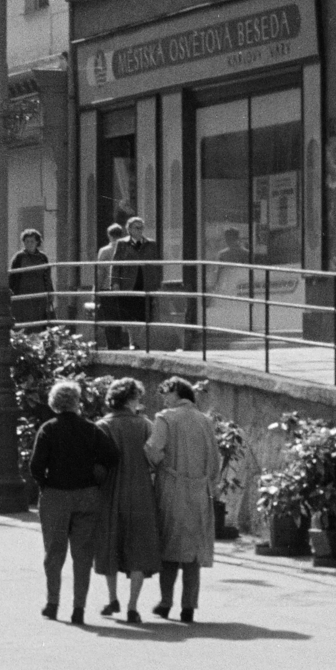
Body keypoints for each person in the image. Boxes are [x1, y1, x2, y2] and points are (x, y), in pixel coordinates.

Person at [29, 379, 119, 624]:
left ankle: (52, 603)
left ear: (54, 403)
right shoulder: (91, 429)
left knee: (54, 553)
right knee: (82, 555)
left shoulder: (48, 428)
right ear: (77, 403)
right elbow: (112, 456)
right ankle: (78, 608)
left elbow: (36, 466)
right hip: (87, 495)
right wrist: (96, 477)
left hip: (56, 495)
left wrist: (45, 484)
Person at [145, 376, 220, 624]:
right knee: (193, 552)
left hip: (171, 487)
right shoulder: (205, 420)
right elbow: (215, 459)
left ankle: (166, 602)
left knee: (170, 547)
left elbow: (154, 448)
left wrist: (153, 465)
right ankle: (188, 606)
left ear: (176, 393)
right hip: (199, 490)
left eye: (166, 394)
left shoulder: (165, 417)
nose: (164, 399)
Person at [92, 377, 163, 624]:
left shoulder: (103, 425)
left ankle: (112, 598)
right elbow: (155, 457)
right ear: (132, 399)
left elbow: (97, 463)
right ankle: (133, 606)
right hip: (140, 491)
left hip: (110, 492)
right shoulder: (145, 425)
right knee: (138, 547)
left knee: (110, 543)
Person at [111, 216, 157, 346]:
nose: (140, 230)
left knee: (145, 313)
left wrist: (156, 283)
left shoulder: (151, 244)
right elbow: (116, 265)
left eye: (142, 228)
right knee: (130, 313)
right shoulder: (122, 244)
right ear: (129, 229)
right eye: (137, 228)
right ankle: (133, 341)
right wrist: (115, 283)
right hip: (129, 282)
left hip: (145, 282)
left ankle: (142, 341)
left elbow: (156, 265)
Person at [9, 228, 56, 328]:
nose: (29, 244)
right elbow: (12, 277)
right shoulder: (19, 257)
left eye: (32, 241)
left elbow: (47, 276)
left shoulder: (43, 257)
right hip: (23, 295)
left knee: (39, 322)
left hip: (39, 295)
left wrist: (50, 292)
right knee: (24, 322)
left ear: (37, 242)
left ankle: (41, 342)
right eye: (27, 241)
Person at [94, 223, 128, 349]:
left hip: (106, 287)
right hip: (121, 288)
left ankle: (112, 344)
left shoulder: (105, 251)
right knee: (118, 316)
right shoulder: (126, 249)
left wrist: (95, 289)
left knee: (109, 316)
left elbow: (101, 272)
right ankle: (119, 342)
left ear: (109, 235)